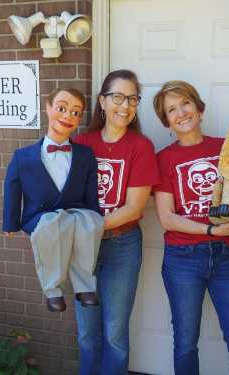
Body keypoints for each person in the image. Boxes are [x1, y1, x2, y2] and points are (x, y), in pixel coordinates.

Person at [152, 80, 229, 375]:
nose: (181, 113)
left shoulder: (227, 147)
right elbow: (166, 218)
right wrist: (211, 230)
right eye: (171, 110)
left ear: (199, 109)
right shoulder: (164, 159)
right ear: (167, 122)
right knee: (186, 345)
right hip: (183, 260)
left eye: (185, 104)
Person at [73, 69, 160, 375]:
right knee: (86, 332)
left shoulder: (140, 147)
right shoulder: (81, 143)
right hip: (83, 249)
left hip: (122, 246)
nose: (125, 105)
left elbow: (134, 208)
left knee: (114, 333)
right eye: (118, 97)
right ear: (102, 101)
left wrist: (85, 227)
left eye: (133, 98)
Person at [2, 88, 104, 313]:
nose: (68, 116)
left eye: (76, 113)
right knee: (50, 225)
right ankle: (53, 290)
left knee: (90, 223)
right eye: (62, 108)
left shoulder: (85, 154)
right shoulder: (23, 156)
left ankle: (85, 287)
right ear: (48, 108)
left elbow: (90, 190)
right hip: (40, 215)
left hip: (75, 210)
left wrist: (95, 215)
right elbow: (12, 187)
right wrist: (10, 223)